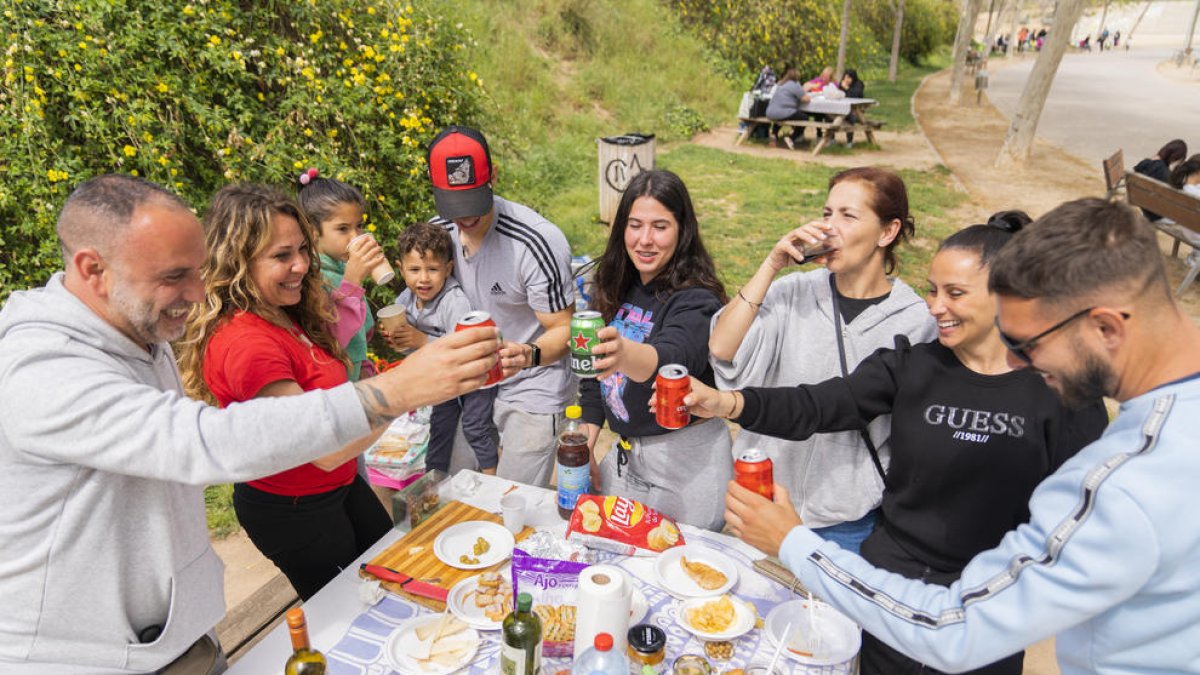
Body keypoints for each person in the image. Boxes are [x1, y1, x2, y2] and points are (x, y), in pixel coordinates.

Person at [0, 175, 498, 674]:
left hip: (170, 640)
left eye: (197, 271)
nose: (197, 293)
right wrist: (401, 389)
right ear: (94, 270)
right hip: (82, 658)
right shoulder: (41, 368)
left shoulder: (137, 334)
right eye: (175, 276)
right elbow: (204, 440)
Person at [717, 197, 1200, 674]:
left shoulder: (1129, 476)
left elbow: (956, 628)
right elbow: (823, 402)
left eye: (1029, 344)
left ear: (1105, 328)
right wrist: (727, 402)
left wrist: (794, 543)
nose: (1020, 363)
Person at [178, 185, 394, 600]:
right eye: (281, 256)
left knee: (389, 575)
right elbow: (324, 446)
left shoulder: (285, 311)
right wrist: (412, 389)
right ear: (239, 261)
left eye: (301, 249)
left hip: (339, 487)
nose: (300, 265)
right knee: (351, 609)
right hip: (296, 510)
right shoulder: (245, 343)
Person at [709, 167, 936, 553]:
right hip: (763, 502)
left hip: (845, 523)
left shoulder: (917, 322)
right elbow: (721, 348)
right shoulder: (793, 291)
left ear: (888, 232)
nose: (830, 227)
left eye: (848, 216)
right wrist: (771, 264)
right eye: (827, 213)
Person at [580, 169, 732, 530]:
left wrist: (621, 353)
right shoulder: (614, 283)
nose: (645, 240)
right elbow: (593, 378)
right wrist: (586, 443)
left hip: (686, 464)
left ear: (682, 231)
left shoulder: (697, 297)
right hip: (625, 458)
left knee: (683, 572)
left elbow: (671, 358)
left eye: (660, 226)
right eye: (635, 225)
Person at [426, 125, 576, 487]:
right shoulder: (436, 234)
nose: (464, 218)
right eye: (453, 205)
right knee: (456, 486)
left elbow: (564, 329)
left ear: (493, 176)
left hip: (533, 381)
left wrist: (527, 354)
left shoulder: (536, 240)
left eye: (473, 201)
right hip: (472, 382)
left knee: (511, 498)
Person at [380, 221, 500, 477]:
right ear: (401, 270)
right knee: (440, 426)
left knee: (474, 426)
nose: (423, 278)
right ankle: (434, 482)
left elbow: (465, 349)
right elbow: (411, 350)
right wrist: (400, 341)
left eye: (432, 269)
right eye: (414, 269)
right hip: (445, 379)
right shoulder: (405, 301)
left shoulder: (453, 301)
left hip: (476, 376)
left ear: (447, 269)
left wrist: (420, 340)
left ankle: (492, 477)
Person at [297, 170, 387, 381]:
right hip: (332, 390)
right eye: (343, 229)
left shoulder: (340, 267)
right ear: (313, 232)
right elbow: (330, 338)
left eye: (359, 226)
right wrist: (352, 282)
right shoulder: (312, 277)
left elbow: (359, 337)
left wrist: (365, 365)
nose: (355, 236)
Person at [1133, 139, 1188, 221]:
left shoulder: (1144, 163)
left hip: (1144, 208)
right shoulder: (1165, 174)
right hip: (1158, 215)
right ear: (1176, 158)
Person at [765, 68, 812, 149]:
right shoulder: (795, 85)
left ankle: (774, 135)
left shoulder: (780, 84)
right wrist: (805, 90)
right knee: (805, 118)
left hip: (770, 112)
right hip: (782, 112)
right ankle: (791, 138)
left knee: (779, 118)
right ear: (797, 77)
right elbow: (806, 99)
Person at [839, 69, 866, 146]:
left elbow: (856, 96)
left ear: (853, 78)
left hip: (856, 110)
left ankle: (849, 141)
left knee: (851, 118)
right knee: (829, 115)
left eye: (849, 78)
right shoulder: (842, 83)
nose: (846, 80)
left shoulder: (859, 84)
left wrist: (847, 88)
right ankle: (831, 139)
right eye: (845, 77)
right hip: (842, 108)